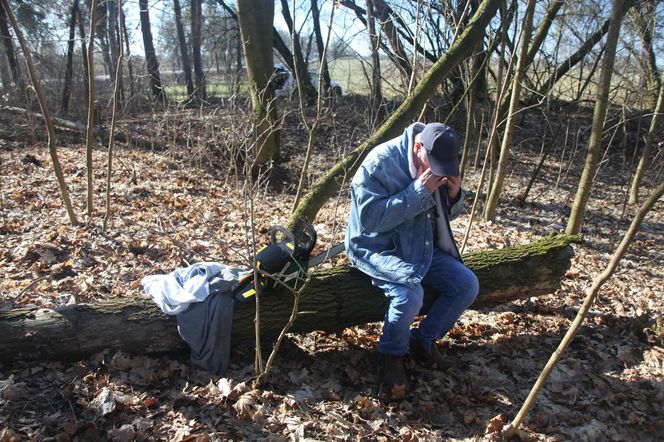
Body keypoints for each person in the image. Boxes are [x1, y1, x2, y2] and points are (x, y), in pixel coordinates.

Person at [345, 122, 479, 400]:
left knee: (466, 284)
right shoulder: (380, 163)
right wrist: (417, 192)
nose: (438, 169)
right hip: (377, 248)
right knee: (409, 295)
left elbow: (444, 216)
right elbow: (371, 220)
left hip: (420, 244)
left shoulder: (440, 158)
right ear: (418, 147)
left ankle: (423, 341)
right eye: (434, 163)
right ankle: (391, 357)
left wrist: (454, 197)